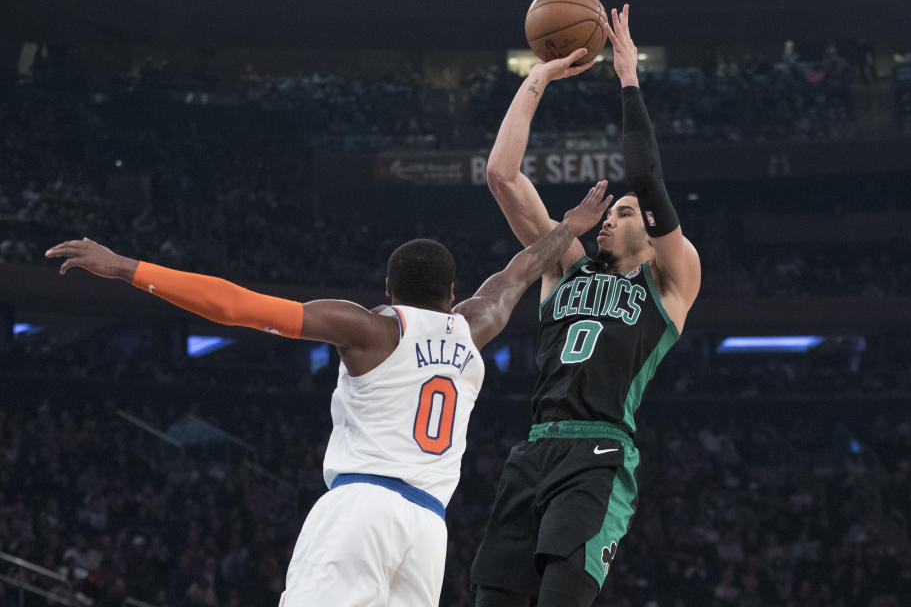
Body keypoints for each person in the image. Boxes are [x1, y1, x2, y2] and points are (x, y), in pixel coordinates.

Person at [44, 181, 613, 607]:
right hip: (428, 530)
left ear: (388, 289)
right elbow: (521, 270)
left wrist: (126, 268)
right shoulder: (475, 325)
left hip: (360, 508)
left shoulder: (370, 328)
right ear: (451, 292)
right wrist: (572, 225)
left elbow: (237, 306)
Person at [470, 5, 702, 607]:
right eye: (611, 209)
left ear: (652, 236)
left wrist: (628, 76)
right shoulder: (563, 263)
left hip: (599, 451)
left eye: (623, 213)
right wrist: (540, 76)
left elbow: (645, 180)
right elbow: (501, 174)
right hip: (534, 448)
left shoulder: (671, 280)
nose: (610, 217)